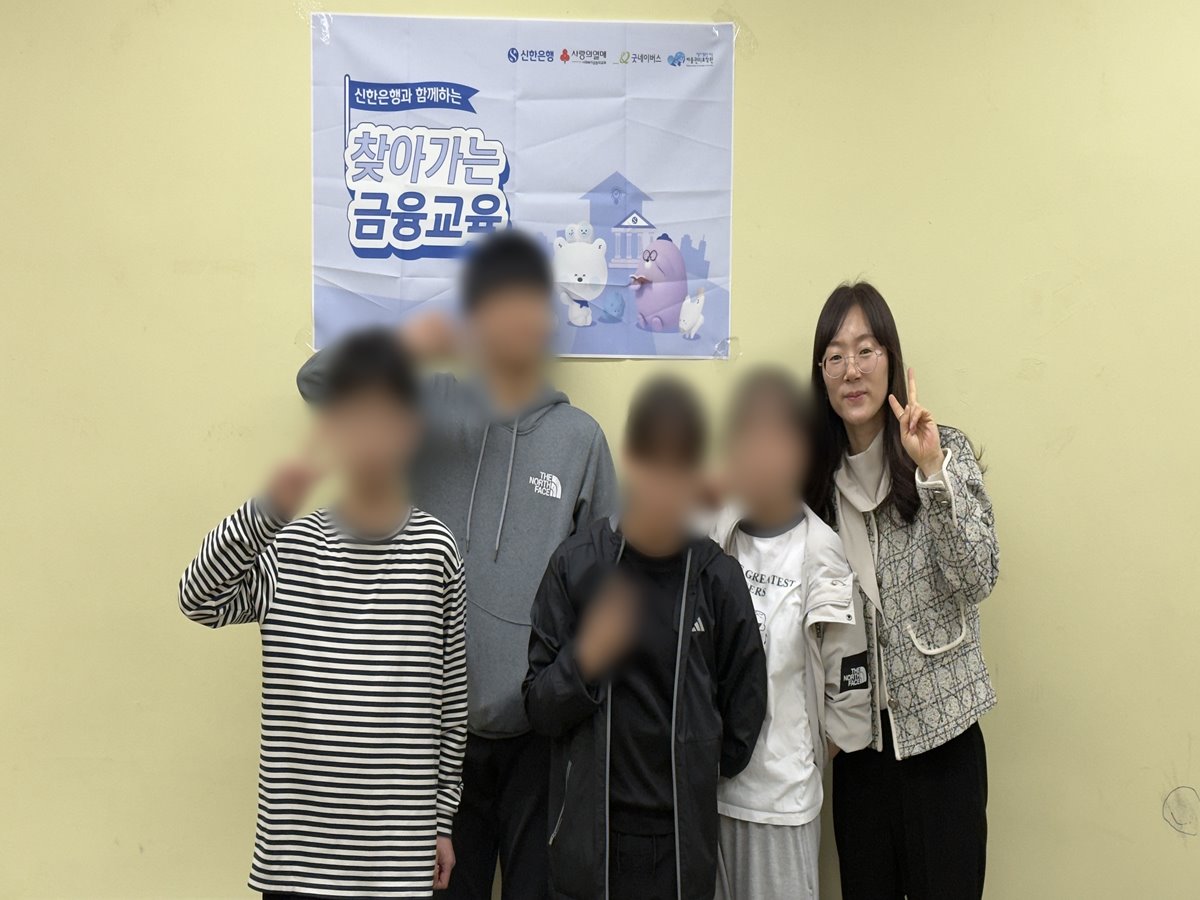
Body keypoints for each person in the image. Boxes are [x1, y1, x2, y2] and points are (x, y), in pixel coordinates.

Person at [297, 230, 619, 900]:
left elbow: (607, 589)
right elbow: (318, 381)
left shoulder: (579, 439)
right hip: (426, 743)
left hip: (537, 742)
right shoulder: (429, 406)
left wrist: (556, 695)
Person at [178, 329, 467, 898]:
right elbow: (198, 598)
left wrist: (441, 823)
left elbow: (450, 706)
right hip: (296, 860)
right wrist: (268, 509)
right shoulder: (289, 547)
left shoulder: (437, 550)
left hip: (397, 859)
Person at [523, 376, 768, 900]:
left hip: (682, 849)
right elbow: (538, 708)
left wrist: (697, 766)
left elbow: (744, 711)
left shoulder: (716, 578)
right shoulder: (576, 565)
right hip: (589, 847)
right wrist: (585, 660)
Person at [808, 282, 1000, 900]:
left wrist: (933, 471)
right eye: (835, 355)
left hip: (944, 743)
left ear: (891, 358)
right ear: (821, 375)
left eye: (866, 350)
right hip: (858, 754)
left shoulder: (942, 451)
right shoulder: (816, 490)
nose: (852, 369)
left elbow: (979, 575)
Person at [708, 368, 871, 900]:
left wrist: (801, 758)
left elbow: (847, 695)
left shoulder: (821, 550)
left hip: (783, 804)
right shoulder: (716, 535)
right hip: (707, 796)